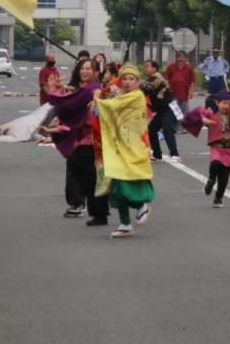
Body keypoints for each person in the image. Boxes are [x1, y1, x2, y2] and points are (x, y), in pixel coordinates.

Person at [94, 65, 156, 238]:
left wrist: (98, 97)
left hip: (133, 147)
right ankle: (125, 223)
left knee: (125, 182)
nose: (127, 82)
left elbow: (111, 107)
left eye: (131, 79)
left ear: (137, 82)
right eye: (124, 79)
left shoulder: (137, 96)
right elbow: (112, 109)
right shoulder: (122, 96)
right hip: (119, 146)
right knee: (116, 185)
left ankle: (141, 205)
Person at [47, 58, 104, 223]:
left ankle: (86, 205)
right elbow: (72, 103)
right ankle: (97, 212)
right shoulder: (88, 88)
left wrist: (53, 92)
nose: (84, 71)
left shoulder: (92, 89)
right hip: (84, 137)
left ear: (96, 73)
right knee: (88, 175)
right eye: (82, 69)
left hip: (91, 138)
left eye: (88, 69)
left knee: (79, 168)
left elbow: (69, 104)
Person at [182, 90, 230, 207]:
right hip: (216, 148)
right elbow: (195, 112)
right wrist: (202, 119)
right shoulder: (212, 114)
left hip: (229, 150)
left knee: (224, 177)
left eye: (228, 103)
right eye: (223, 103)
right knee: (215, 164)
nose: (226, 106)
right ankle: (211, 180)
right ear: (217, 103)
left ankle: (218, 198)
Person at [141, 60, 180, 162]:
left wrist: (133, 85)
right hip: (163, 109)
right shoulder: (150, 79)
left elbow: (145, 89)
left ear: (155, 68)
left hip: (170, 108)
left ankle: (175, 154)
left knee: (167, 129)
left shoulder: (157, 77)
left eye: (147, 66)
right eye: (144, 67)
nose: (145, 68)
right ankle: (157, 154)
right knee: (152, 129)